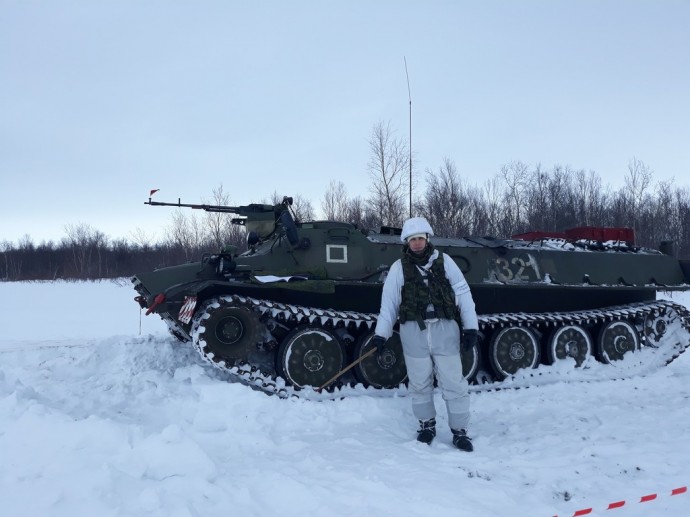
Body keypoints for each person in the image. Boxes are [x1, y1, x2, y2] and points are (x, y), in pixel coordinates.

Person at [371, 216, 479, 451]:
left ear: (427, 239)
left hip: (444, 330)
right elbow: (388, 304)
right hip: (414, 333)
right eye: (413, 239)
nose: (417, 243)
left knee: (454, 383)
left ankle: (460, 431)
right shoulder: (399, 268)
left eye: (420, 238)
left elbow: (463, 295)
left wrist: (471, 327)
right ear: (407, 242)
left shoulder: (445, 262)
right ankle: (426, 425)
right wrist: (381, 334)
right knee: (419, 384)